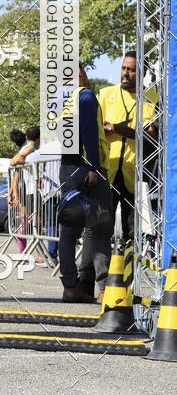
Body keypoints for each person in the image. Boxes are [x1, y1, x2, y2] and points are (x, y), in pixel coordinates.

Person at [58, 63, 113, 303]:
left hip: (68, 168)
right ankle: (104, 289)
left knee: (69, 230)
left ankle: (71, 286)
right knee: (100, 225)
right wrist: (93, 166)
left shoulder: (60, 102)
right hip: (87, 169)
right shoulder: (85, 96)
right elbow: (90, 132)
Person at [98, 51, 157, 241]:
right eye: (124, 68)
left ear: (142, 73)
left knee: (133, 233)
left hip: (136, 175)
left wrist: (116, 128)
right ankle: (99, 271)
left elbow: (151, 135)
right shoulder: (106, 94)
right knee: (101, 228)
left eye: (131, 70)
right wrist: (128, 130)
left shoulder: (152, 98)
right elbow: (97, 128)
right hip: (108, 172)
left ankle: (129, 270)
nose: (125, 73)